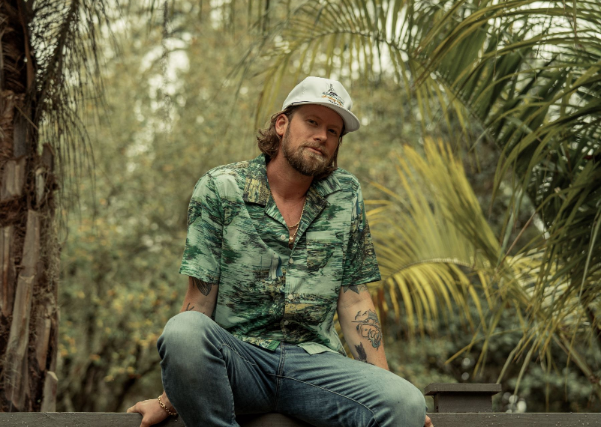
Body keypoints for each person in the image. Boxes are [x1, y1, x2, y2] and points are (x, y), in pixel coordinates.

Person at [128, 76, 433, 427]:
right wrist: (170, 400)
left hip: (316, 367)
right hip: (238, 363)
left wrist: (385, 389)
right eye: (312, 122)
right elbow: (199, 300)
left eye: (333, 131)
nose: (322, 136)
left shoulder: (345, 195)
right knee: (182, 330)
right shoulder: (220, 188)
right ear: (282, 124)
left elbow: (354, 302)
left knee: (406, 402)